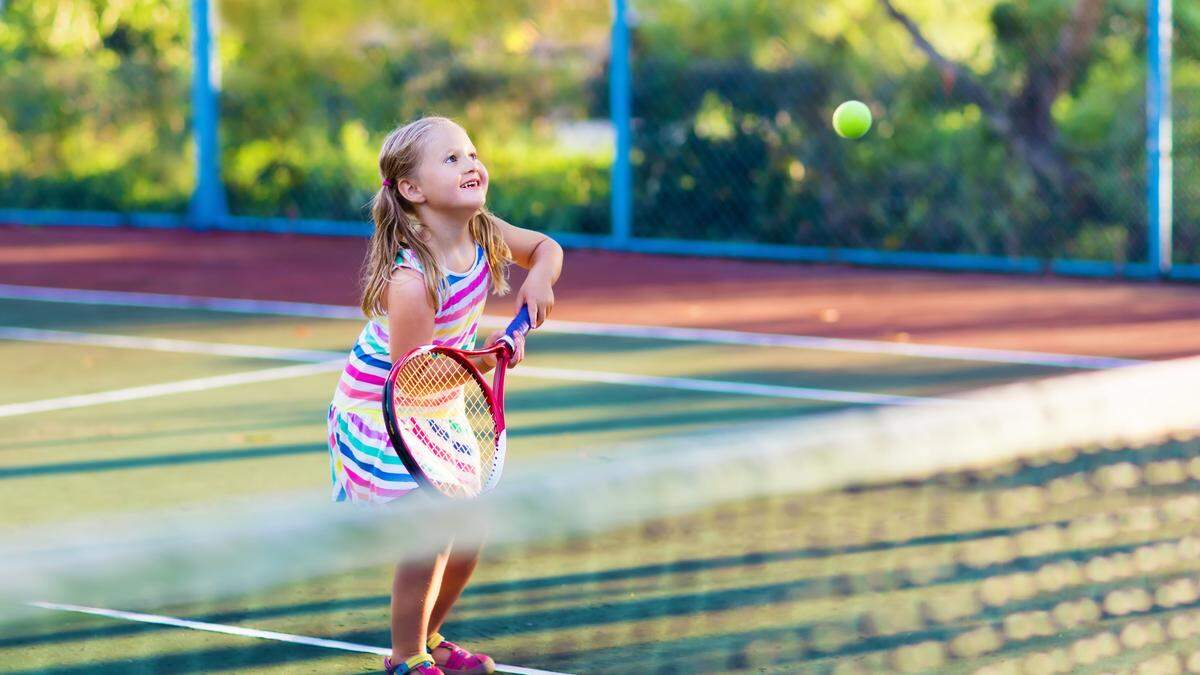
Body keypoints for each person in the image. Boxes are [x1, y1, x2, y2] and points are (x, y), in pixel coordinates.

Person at [327, 116, 562, 675]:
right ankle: (406, 660)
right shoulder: (412, 281)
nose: (471, 164)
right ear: (411, 190)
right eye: (451, 159)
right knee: (428, 531)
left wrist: (540, 279)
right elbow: (415, 379)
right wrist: (485, 361)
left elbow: (546, 247)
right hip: (383, 411)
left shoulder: (482, 230)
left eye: (472, 153)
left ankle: (429, 637)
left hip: (441, 403)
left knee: (471, 533)